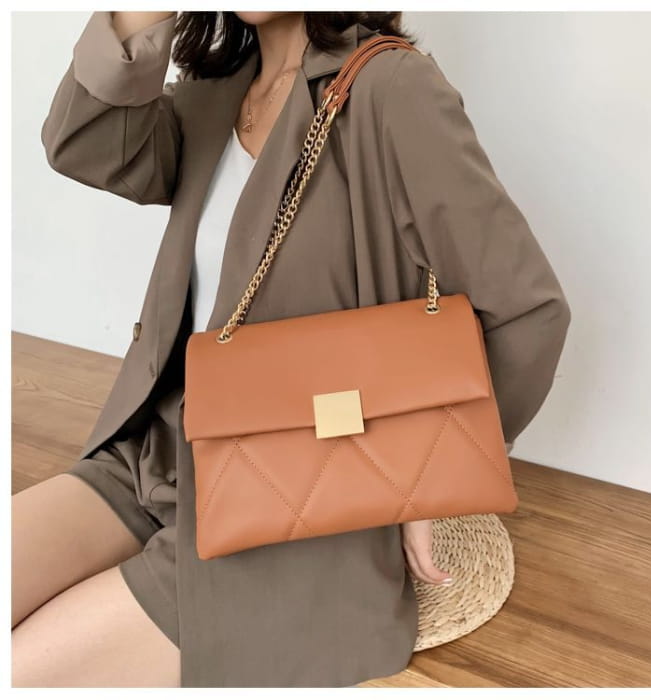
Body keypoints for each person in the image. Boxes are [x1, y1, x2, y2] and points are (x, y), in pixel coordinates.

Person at [12, 10, 571, 688]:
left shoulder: (393, 90)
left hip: (295, 500)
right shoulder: (215, 93)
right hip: (155, 457)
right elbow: (84, 143)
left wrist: (427, 477)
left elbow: (528, 310)